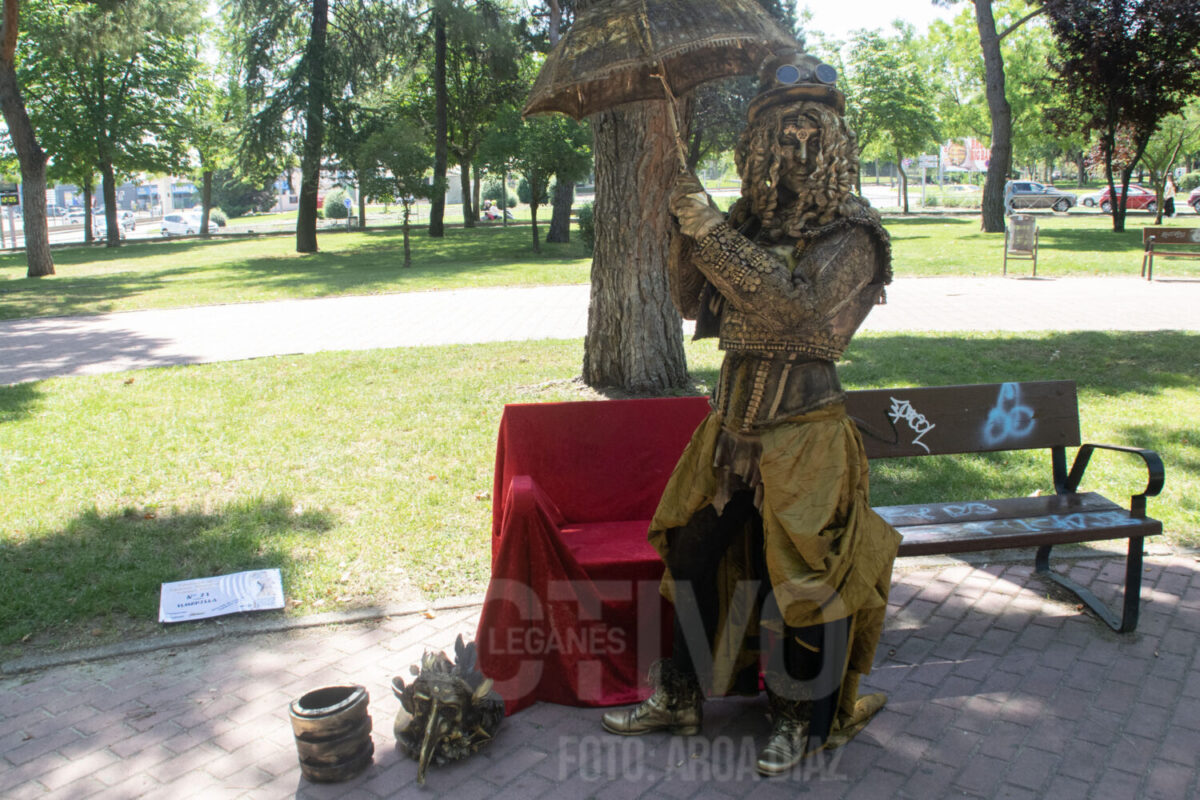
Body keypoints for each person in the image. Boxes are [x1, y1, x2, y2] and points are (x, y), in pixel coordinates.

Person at [600, 51, 901, 776]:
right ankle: (678, 692)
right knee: (697, 555)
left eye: (812, 133)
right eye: (783, 134)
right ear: (758, 141)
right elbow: (692, 303)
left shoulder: (855, 234)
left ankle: (798, 715)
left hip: (806, 440)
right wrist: (686, 227)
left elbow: (801, 318)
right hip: (729, 432)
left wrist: (717, 239)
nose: (798, 148)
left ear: (836, 139)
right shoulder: (745, 222)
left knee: (803, 582)